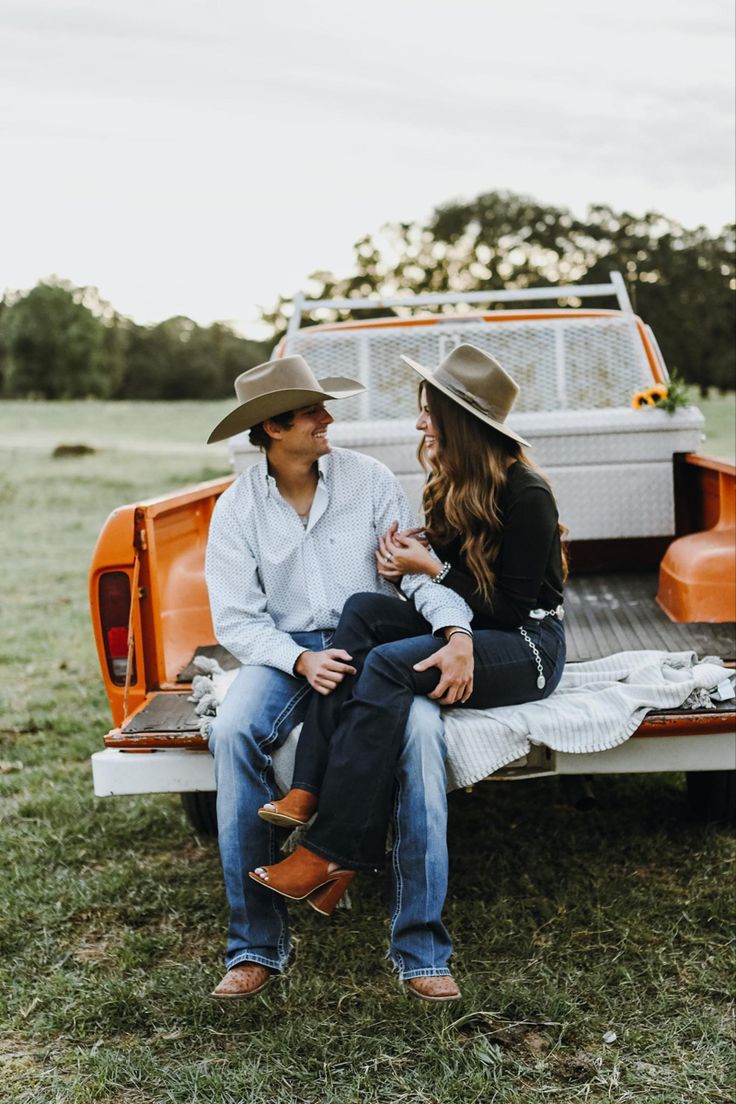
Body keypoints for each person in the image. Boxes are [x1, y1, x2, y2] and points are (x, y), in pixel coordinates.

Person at [250, 345, 567, 960]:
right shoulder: (452, 481)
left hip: (527, 645)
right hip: (478, 625)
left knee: (391, 665)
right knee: (363, 610)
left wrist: (435, 564)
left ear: (459, 420)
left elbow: (506, 607)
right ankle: (309, 784)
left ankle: (331, 851)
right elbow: (448, 584)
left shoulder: (527, 493)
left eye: (429, 413)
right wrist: (408, 557)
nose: (420, 425)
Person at [204, 354, 474, 1002]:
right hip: (284, 649)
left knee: (420, 740)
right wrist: (299, 659)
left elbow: (411, 574)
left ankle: (421, 951)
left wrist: (454, 630)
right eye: (311, 413)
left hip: (378, 646)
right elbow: (237, 620)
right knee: (235, 731)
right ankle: (254, 946)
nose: (328, 419)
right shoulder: (236, 509)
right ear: (272, 429)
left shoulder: (371, 480)